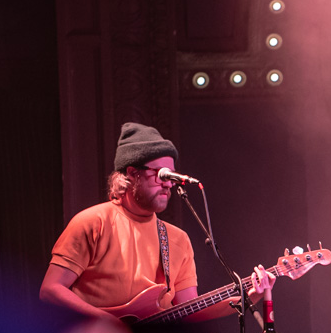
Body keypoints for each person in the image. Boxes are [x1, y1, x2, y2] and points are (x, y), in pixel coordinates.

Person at [40, 122, 273, 320]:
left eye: (171, 176)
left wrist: (250, 296)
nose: (168, 183)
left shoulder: (177, 239)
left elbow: (191, 311)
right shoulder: (92, 222)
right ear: (132, 173)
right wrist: (108, 323)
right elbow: (51, 290)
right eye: (160, 174)